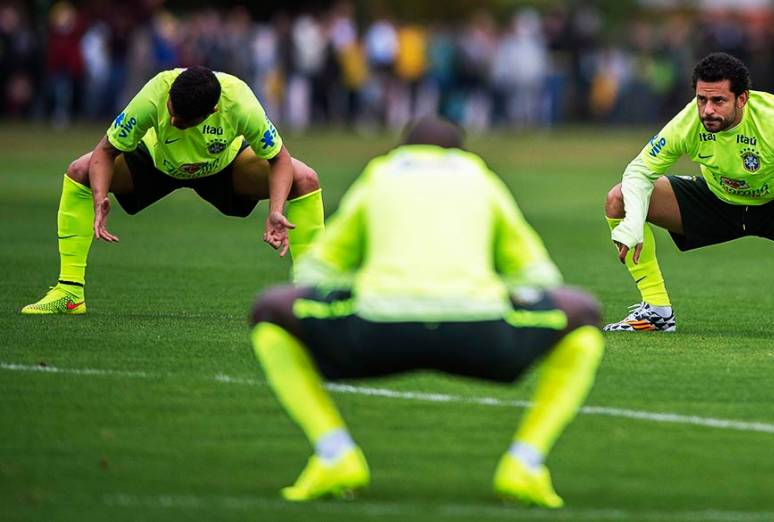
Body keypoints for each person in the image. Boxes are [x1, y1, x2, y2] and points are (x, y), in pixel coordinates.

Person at [249, 117, 604, 508]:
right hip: (481, 333)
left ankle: (334, 454)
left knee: (269, 310)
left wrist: (355, 287)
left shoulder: (379, 174)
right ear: (461, 152)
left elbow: (318, 270)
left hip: (377, 332)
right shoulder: (479, 177)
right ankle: (525, 463)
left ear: (402, 149)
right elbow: (538, 276)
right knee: (584, 313)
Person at [603, 52, 774, 338]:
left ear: (742, 99)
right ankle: (656, 311)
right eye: (702, 99)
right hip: (716, 202)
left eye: (718, 101)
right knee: (618, 199)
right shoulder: (688, 121)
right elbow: (639, 171)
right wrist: (633, 222)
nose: (707, 110)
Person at [21, 66, 324, 314]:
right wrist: (100, 196)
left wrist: (275, 211)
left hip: (223, 166)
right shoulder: (156, 92)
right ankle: (70, 293)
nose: (173, 119)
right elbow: (105, 151)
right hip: (157, 162)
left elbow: (279, 158)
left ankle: (309, 299)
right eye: (171, 112)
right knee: (79, 171)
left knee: (306, 179)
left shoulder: (239, 101)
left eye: (182, 121)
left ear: (213, 110)